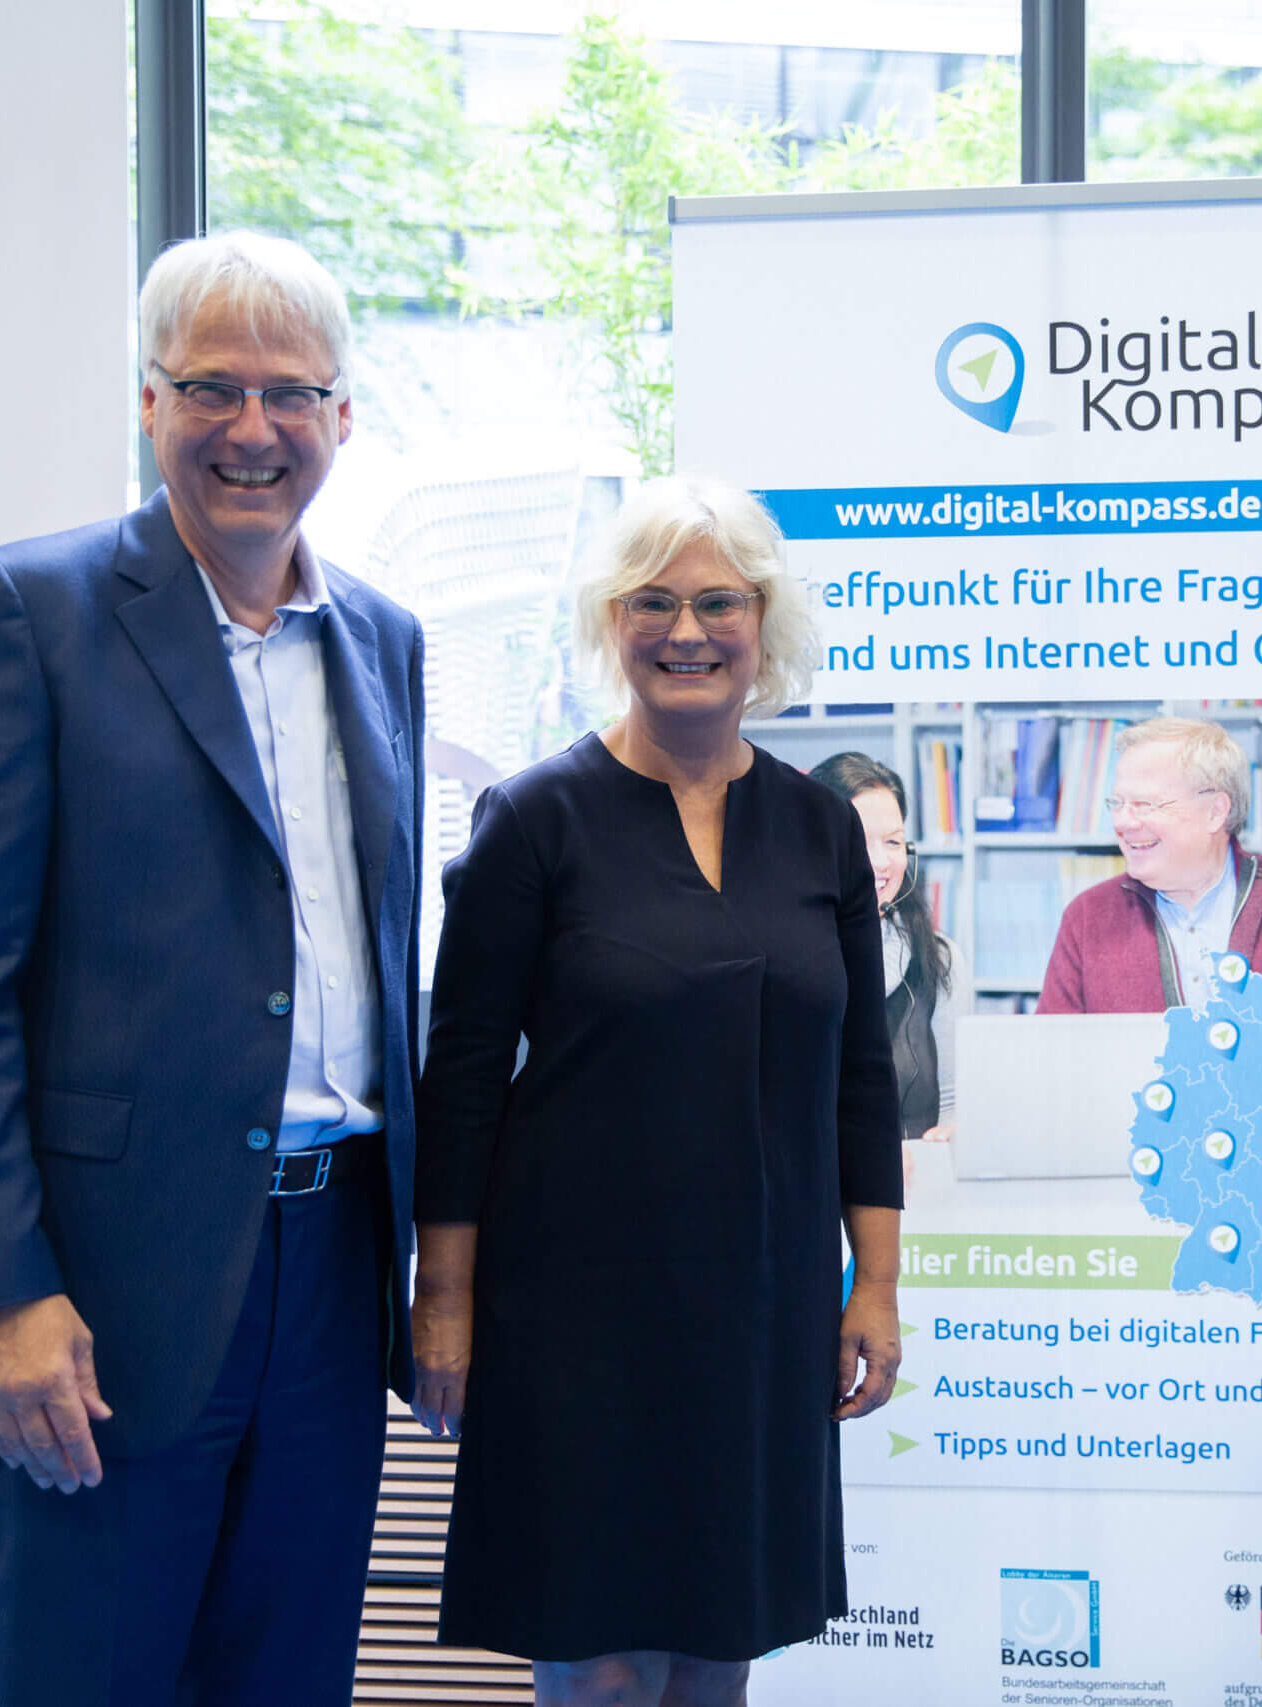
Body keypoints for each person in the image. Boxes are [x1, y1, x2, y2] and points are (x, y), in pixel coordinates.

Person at [0, 231, 425, 1706]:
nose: (254, 429)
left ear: (342, 415)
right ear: (148, 402)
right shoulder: (23, 611)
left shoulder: (384, 639)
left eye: (291, 394)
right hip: (102, 1292)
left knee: (286, 1680)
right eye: (211, 388)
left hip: (332, 1278)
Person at [408, 475, 904, 1707]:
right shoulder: (533, 820)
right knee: (603, 1663)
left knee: (720, 1652)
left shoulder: (820, 830)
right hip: (573, 1313)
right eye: (653, 602)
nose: (687, 631)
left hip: (764, 1303)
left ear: (764, 622)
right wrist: (444, 1302)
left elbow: (861, 1076)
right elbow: (461, 1081)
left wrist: (876, 1284)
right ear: (611, 622)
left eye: (718, 602)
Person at [1037, 716, 1262, 1017]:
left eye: (1145, 804)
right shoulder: (1088, 918)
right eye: (1117, 803)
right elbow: (1053, 1057)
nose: (1123, 822)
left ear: (1215, 811)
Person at [812, 750, 967, 1144]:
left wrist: (954, 1133)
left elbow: (956, 1105)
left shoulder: (940, 958)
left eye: (893, 842)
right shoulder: (779, 960)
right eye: (859, 842)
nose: (881, 862)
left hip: (919, 1179)